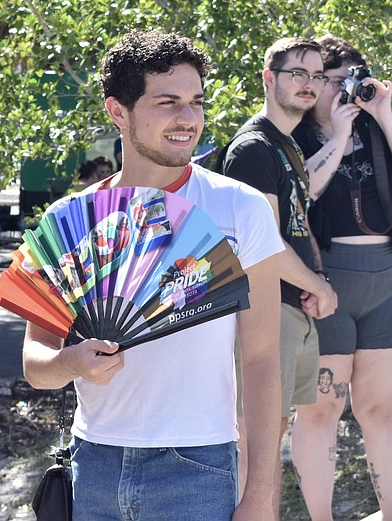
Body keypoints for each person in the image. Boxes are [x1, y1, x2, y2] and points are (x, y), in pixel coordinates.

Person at [23, 30, 283, 520]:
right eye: (168, 103)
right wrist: (73, 362)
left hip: (198, 467)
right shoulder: (68, 220)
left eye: (196, 102)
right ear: (118, 112)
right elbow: (35, 363)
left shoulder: (240, 208)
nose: (189, 119)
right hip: (93, 463)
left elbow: (263, 359)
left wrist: (262, 492)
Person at [221, 37, 338, 507]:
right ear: (269, 79)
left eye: (317, 76)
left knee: (275, 433)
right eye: (298, 74)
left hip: (292, 306)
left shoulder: (286, 145)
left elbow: (297, 223)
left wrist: (315, 280)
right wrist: (317, 287)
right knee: (252, 437)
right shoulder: (253, 148)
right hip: (262, 312)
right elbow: (263, 243)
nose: (308, 84)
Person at [289, 34, 392, 520]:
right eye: (334, 81)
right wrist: (336, 137)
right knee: (320, 410)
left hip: (384, 283)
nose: (343, 92)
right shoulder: (299, 137)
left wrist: (384, 112)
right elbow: (300, 195)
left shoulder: (378, 128)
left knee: (379, 411)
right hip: (326, 285)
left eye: (352, 80)